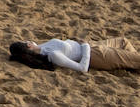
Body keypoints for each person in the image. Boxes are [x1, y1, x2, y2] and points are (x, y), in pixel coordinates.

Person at [9, 37, 140, 73]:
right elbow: (82, 68)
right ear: (28, 46)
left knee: (124, 42)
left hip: (93, 45)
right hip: (96, 55)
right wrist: (85, 47)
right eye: (26, 41)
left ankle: (133, 66)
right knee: (136, 59)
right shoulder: (53, 55)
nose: (29, 40)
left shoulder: (41, 47)